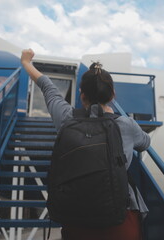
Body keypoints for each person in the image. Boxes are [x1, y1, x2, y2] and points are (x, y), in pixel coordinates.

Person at [21, 48, 150, 240]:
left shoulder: (66, 119)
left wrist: (26, 63)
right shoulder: (126, 124)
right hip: (120, 222)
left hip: (76, 222)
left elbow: (48, 87)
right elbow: (145, 143)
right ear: (113, 94)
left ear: (82, 96)